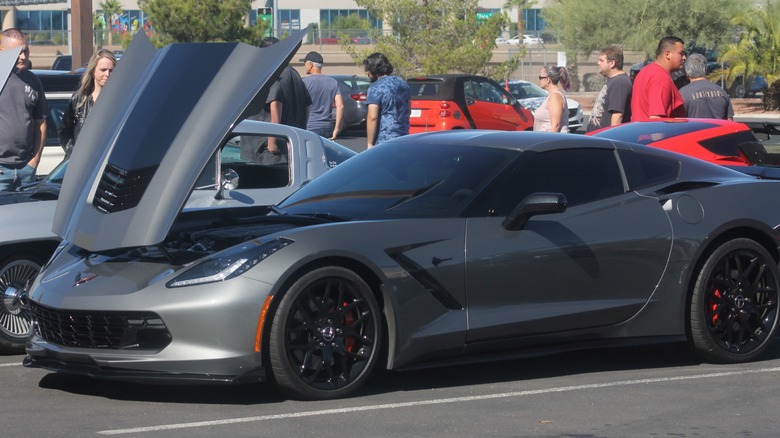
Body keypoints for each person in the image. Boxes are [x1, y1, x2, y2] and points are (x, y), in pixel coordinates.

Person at [246, 37, 311, 160]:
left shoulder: (273, 72)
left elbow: (275, 103)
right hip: (290, 144)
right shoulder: (294, 73)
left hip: (268, 151)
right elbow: (308, 106)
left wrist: (272, 141)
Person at [0, 28, 47, 191]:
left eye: (25, 51)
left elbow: (40, 123)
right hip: (1, 171)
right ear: (2, 51)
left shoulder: (33, 80)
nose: (23, 57)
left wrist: (35, 160)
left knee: (25, 215)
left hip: (26, 168)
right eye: (17, 52)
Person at [59, 49, 117, 154]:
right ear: (93, 71)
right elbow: (64, 132)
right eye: (103, 70)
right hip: (82, 162)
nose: (107, 74)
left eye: (111, 70)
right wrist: (74, 153)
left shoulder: (120, 100)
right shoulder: (79, 98)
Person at [631, 36, 687, 121]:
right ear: (667, 54)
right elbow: (656, 120)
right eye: (681, 53)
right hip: (654, 133)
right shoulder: (660, 78)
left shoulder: (645, 72)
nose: (684, 58)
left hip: (639, 132)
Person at [363, 52, 410, 148]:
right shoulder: (403, 84)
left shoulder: (375, 88)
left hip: (385, 139)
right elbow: (408, 110)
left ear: (373, 69)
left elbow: (372, 117)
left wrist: (370, 143)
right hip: (403, 137)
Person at [586, 45, 632, 132]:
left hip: (605, 140)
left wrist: (611, 140)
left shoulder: (620, 82)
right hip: (596, 138)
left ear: (612, 63)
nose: (598, 63)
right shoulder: (613, 80)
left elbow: (617, 114)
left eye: (601, 60)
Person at [300, 51, 344, 139]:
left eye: (304, 63)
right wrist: (336, 129)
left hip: (310, 126)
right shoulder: (333, 82)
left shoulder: (304, 82)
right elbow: (340, 105)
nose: (304, 66)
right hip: (327, 127)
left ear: (310, 64)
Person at [679, 53, 734, 120]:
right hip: (720, 130)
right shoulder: (721, 91)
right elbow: (730, 121)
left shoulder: (682, 94)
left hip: (695, 130)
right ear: (705, 69)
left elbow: (678, 123)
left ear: (687, 71)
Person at [533, 64, 570, 133]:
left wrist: (549, 142)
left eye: (540, 77)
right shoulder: (552, 96)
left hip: (552, 141)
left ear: (548, 80)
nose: (539, 80)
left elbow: (556, 125)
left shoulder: (555, 97)